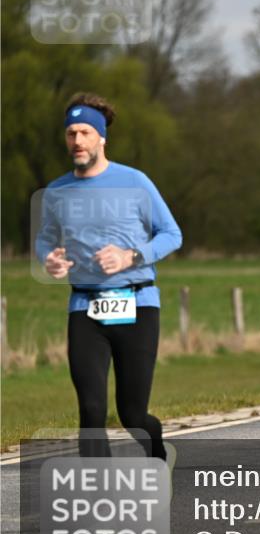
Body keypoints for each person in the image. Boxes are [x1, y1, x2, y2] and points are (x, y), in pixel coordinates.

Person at [36, 93, 183, 459]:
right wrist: (49, 260)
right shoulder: (56, 191)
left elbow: (171, 234)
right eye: (71, 133)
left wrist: (131, 255)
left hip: (137, 303)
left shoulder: (135, 182)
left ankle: (157, 450)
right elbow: (44, 240)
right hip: (85, 306)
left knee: (132, 415)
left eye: (84, 132)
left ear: (101, 137)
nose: (77, 141)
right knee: (90, 411)